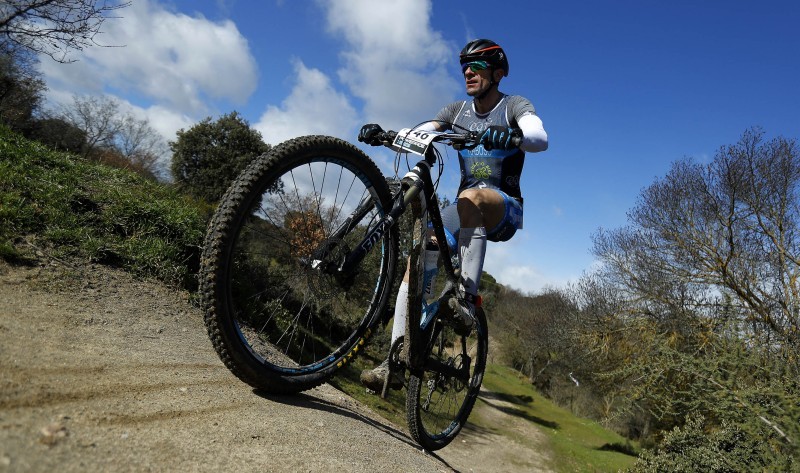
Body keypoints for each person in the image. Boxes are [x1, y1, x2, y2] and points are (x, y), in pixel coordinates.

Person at [358, 38, 548, 392]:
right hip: (463, 208)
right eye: (464, 67)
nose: (468, 73)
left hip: (503, 207)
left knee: (471, 196)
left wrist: (514, 135)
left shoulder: (513, 106)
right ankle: (396, 361)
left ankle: (467, 300)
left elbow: (539, 137)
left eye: (476, 67)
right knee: (419, 258)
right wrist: (389, 135)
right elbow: (424, 132)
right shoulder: (456, 111)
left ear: (497, 73)